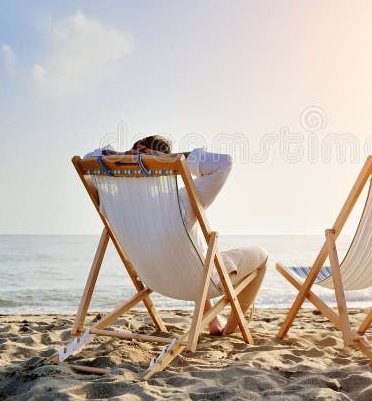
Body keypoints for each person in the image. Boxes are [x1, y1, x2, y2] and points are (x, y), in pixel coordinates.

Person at [85, 135, 268, 336]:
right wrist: (170, 159)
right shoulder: (181, 201)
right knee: (262, 256)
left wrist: (123, 156)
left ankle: (213, 322)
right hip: (198, 282)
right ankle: (229, 330)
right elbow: (224, 163)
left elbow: (89, 157)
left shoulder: (111, 199)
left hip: (155, 281)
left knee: (188, 250)